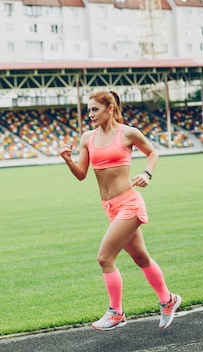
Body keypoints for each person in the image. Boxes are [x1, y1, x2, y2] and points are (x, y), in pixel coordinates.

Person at [59, 90, 181, 331]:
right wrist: (67, 159)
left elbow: (152, 152)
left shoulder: (127, 133)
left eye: (95, 109)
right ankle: (169, 300)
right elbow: (82, 175)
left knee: (104, 258)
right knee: (140, 258)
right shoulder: (87, 138)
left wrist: (147, 173)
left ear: (110, 109)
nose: (90, 114)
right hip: (110, 207)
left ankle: (116, 312)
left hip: (129, 203)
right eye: (89, 109)